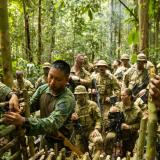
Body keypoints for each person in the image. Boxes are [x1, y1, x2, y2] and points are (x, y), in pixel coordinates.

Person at [4, 60, 76, 149]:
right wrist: (20, 108)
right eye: (51, 76)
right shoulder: (43, 89)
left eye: (58, 79)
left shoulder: (67, 99)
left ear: (66, 79)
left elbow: (52, 123)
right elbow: (31, 104)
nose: (52, 82)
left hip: (63, 143)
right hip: (45, 138)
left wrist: (24, 121)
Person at [104, 88, 142, 157]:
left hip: (129, 134)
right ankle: (108, 155)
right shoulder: (118, 105)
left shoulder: (137, 110)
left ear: (130, 96)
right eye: (121, 95)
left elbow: (140, 124)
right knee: (109, 137)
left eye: (124, 95)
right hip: (117, 130)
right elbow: (109, 118)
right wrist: (110, 112)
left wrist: (129, 127)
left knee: (127, 153)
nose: (121, 97)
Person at [71, 85, 103, 155]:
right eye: (77, 95)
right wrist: (73, 120)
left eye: (80, 95)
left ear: (85, 95)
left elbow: (99, 118)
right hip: (79, 133)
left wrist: (96, 129)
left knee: (98, 140)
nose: (78, 97)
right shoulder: (73, 106)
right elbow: (68, 122)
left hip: (91, 130)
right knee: (79, 153)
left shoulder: (92, 105)